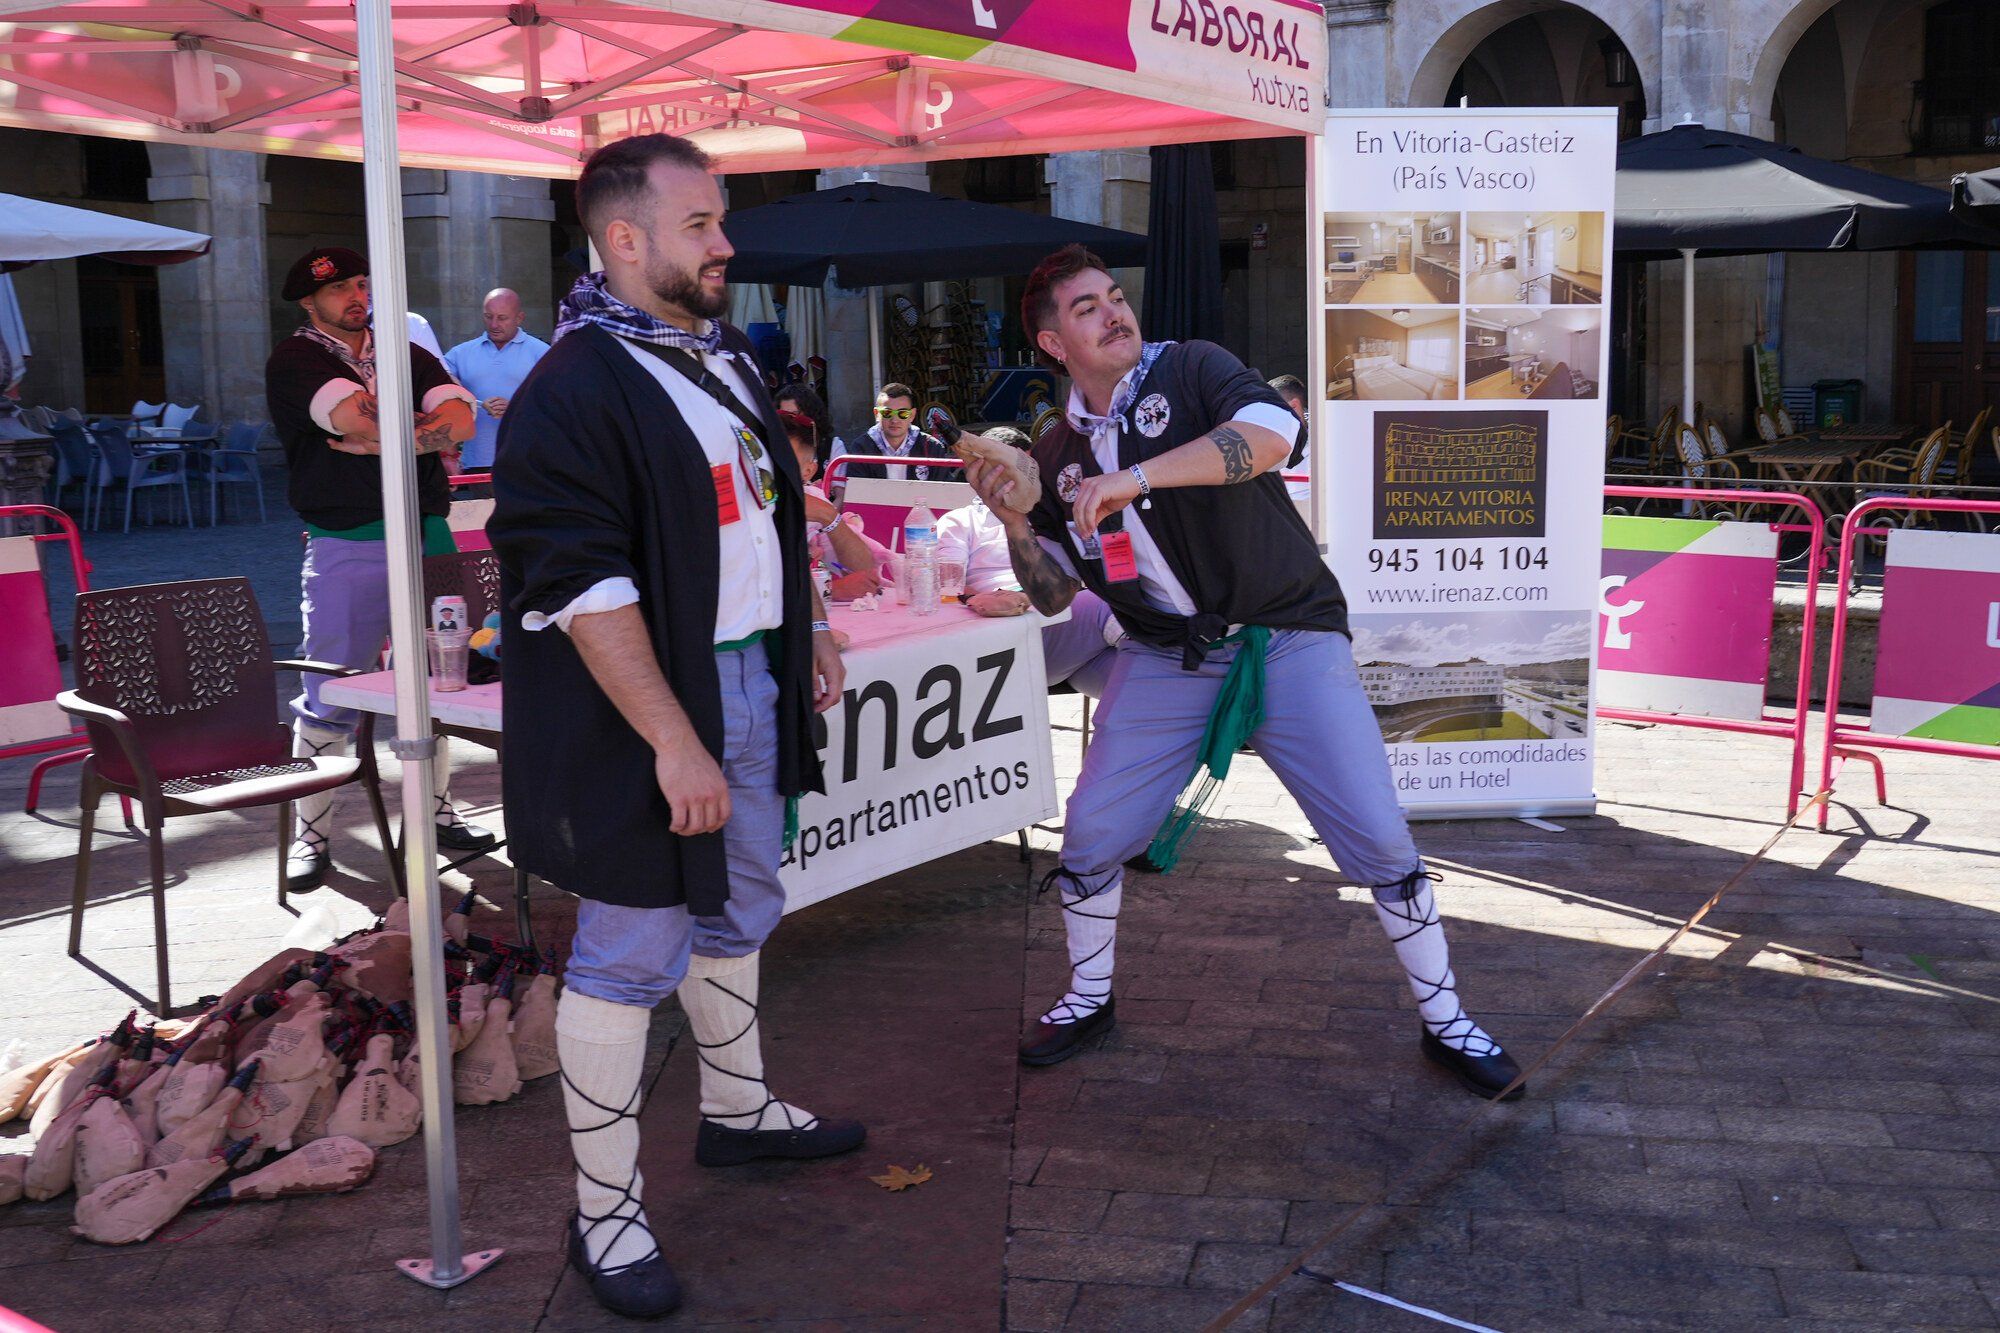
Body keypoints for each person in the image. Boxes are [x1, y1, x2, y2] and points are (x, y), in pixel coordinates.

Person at [961, 244, 1522, 1101]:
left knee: (1376, 834)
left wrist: (1135, 477)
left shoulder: (1189, 369)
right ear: (1051, 343)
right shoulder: (1058, 447)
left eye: (1115, 297)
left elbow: (1274, 435)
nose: (1115, 312)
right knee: (1093, 830)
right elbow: (1052, 595)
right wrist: (1011, 521)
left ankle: (1447, 1019)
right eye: (1086, 309)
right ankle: (1088, 998)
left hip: (1286, 633)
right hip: (1163, 652)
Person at [488, 133, 861, 1321]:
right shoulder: (572, 388)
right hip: (644, 714)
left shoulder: (724, 358)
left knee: (743, 902)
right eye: (701, 224)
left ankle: (739, 1111)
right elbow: (581, 584)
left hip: (748, 685)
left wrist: (804, 628)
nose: (726, 243)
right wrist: (671, 739)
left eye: (719, 219)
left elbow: (764, 514)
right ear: (624, 239)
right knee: (630, 950)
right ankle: (602, 1210)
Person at [262, 246, 488, 888]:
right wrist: (412, 429)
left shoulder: (404, 352)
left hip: (428, 531)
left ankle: (439, 810)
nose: (356, 296)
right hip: (348, 539)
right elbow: (352, 419)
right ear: (310, 301)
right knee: (329, 688)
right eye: (341, 290)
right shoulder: (297, 359)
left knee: (443, 679)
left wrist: (376, 438)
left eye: (363, 283)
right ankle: (313, 836)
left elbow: (462, 423)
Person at [935, 425, 1121, 699]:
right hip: (1005, 634)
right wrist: (1004, 598)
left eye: (1028, 469)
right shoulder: (961, 521)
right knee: (1110, 606)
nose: (1023, 478)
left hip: (1063, 636)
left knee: (1132, 677)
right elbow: (947, 589)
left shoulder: (1050, 514)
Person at [780, 406, 884, 601]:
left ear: (808, 471)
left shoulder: (813, 499)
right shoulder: (744, 503)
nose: (773, 468)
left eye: (785, 462)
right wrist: (833, 590)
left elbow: (862, 572)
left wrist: (828, 515)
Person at [445, 288, 551, 471]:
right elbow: (437, 379)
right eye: (488, 316)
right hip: (477, 462)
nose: (494, 324)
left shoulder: (542, 353)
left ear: (520, 318)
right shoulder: (460, 353)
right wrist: (470, 399)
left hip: (528, 462)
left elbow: (556, 404)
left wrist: (515, 408)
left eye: (502, 318)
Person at [826, 381, 951, 490]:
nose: (895, 420)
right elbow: (858, 497)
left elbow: (944, 494)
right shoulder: (861, 447)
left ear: (912, 415)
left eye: (902, 413)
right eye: (887, 413)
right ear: (876, 414)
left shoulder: (932, 447)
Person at [775, 380, 841, 472]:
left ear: (810, 413)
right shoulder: (774, 444)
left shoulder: (832, 446)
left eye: (794, 414)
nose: (789, 419)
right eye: (783, 415)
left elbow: (839, 485)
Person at [1267, 372, 1312, 502]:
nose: (1267, 417)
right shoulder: (1265, 434)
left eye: (1273, 410)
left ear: (1294, 406)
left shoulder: (1325, 433)